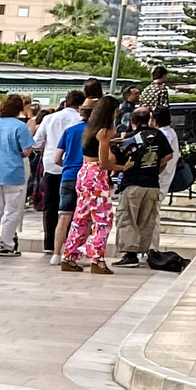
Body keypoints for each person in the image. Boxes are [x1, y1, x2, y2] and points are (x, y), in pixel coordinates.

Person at [59, 94, 121, 273]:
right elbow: (104, 162)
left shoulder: (89, 129)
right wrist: (123, 167)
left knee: (81, 217)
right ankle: (97, 258)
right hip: (97, 176)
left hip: (83, 172)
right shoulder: (106, 130)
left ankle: (69, 256)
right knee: (104, 219)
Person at [114, 105, 170, 260]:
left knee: (127, 218)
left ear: (133, 120)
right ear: (149, 119)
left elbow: (119, 160)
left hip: (133, 182)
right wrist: (156, 167)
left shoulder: (129, 138)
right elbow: (169, 155)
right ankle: (142, 252)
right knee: (146, 219)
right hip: (152, 183)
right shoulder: (159, 135)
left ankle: (130, 255)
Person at [0, 93, 34, 256]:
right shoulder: (20, 126)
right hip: (13, 173)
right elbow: (27, 151)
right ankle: (6, 244)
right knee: (11, 211)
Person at [35, 90, 82, 257]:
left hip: (51, 165)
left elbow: (37, 142)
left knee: (51, 205)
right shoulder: (79, 120)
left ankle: (49, 243)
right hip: (73, 167)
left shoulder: (49, 118)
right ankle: (69, 242)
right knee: (71, 207)